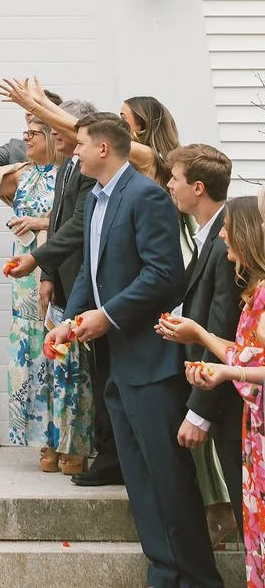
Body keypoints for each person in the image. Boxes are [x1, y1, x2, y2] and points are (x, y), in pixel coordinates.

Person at [49, 113, 222, 588]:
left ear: (104, 148)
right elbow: (91, 271)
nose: (73, 151)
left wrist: (110, 316)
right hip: (115, 363)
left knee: (168, 480)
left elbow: (163, 275)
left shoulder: (145, 196)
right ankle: (164, 574)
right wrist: (71, 319)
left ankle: (199, 579)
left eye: (80, 143)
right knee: (141, 485)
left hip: (151, 360)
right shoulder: (96, 200)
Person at [4, 99, 111, 483]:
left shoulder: (84, 170)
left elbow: (77, 224)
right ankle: (52, 437)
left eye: (50, 129)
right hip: (57, 277)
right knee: (50, 360)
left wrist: (38, 260)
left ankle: (79, 443)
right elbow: (63, 219)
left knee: (76, 367)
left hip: (85, 278)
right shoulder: (69, 167)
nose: (47, 136)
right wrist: (47, 271)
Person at [170, 196, 265, 587]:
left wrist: (225, 371)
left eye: (229, 227)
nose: (222, 233)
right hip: (254, 440)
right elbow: (244, 355)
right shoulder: (255, 292)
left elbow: (244, 364)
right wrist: (201, 336)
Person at [164, 146, 245, 548]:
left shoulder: (227, 239)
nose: (169, 185)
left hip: (232, 404)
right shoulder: (206, 236)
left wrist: (199, 412)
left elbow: (224, 321)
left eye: (175, 178)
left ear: (198, 187)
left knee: (252, 520)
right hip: (215, 387)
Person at [0, 77, 181, 189]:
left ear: (141, 126)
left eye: (123, 117)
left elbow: (80, 129)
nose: (118, 122)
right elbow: (81, 126)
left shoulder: (148, 156)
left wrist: (34, 108)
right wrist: (44, 102)